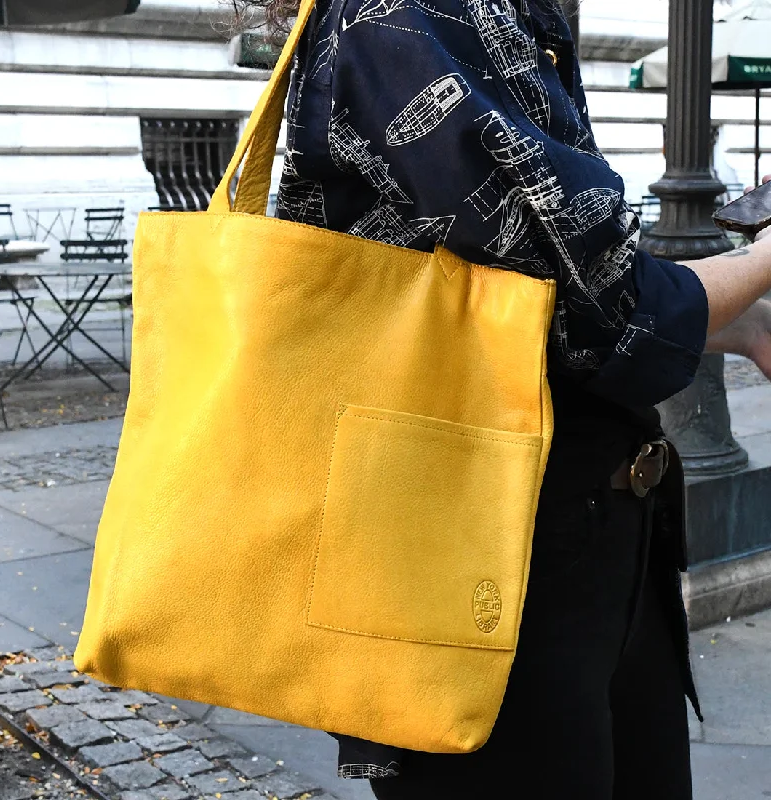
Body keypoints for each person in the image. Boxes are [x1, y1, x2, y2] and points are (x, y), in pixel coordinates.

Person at [240, 0, 771, 796]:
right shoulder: (408, 15)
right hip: (481, 570)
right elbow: (610, 307)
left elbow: (531, 304)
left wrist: (744, 325)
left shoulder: (496, 14)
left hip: (568, 544)